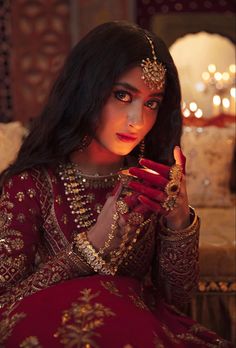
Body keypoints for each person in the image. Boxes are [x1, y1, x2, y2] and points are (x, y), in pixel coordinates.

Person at [0, 21, 232, 348]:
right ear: (86, 91)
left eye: (152, 103)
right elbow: (6, 300)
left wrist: (179, 222)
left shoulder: (151, 183)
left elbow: (176, 298)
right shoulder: (32, 183)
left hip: (140, 331)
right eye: (123, 95)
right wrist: (91, 246)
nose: (137, 119)